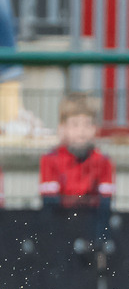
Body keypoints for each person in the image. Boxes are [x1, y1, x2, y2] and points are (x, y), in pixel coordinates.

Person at [39, 93, 115, 244]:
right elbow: (50, 203)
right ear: (62, 129)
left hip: (92, 229)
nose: (82, 131)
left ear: (95, 128)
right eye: (75, 124)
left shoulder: (103, 161)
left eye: (87, 124)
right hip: (60, 231)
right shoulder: (50, 160)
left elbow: (105, 203)